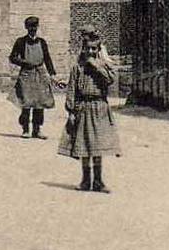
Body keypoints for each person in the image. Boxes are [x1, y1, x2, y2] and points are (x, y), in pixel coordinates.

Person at [59, 28, 120, 192]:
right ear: (83, 49)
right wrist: (71, 111)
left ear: (98, 50)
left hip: (99, 107)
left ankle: (98, 181)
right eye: (87, 48)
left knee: (97, 145)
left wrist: (96, 66)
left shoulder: (104, 65)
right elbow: (72, 89)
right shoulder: (77, 68)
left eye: (94, 48)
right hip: (83, 108)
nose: (90, 51)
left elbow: (110, 80)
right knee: (85, 145)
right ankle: (86, 180)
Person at [9, 16, 56, 137]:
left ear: (37, 27)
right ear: (26, 28)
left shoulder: (42, 42)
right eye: (30, 27)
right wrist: (24, 62)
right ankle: (25, 129)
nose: (33, 29)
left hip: (40, 74)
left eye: (35, 27)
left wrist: (52, 74)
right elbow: (12, 57)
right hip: (26, 74)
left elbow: (47, 59)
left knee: (40, 103)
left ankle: (37, 129)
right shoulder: (20, 41)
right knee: (26, 102)